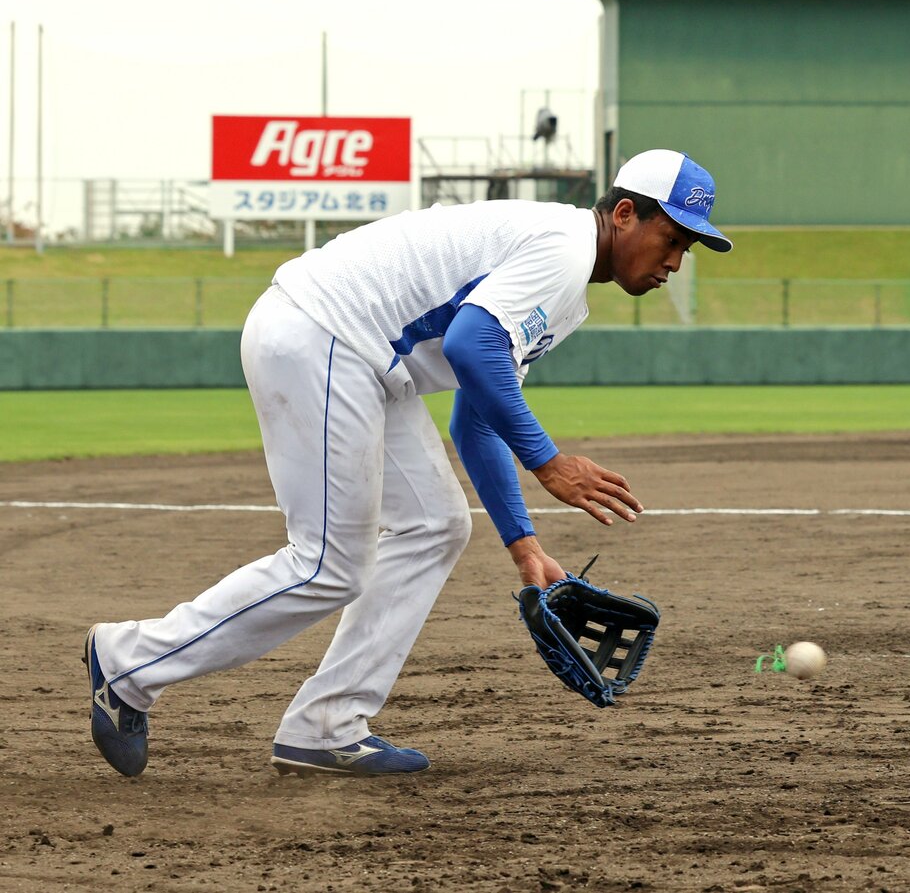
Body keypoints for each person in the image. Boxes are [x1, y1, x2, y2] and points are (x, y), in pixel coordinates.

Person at [85, 148, 732, 777]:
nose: (675, 261)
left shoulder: (564, 274)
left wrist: (524, 545)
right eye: (672, 238)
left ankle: (327, 725)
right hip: (325, 333)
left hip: (360, 355)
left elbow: (476, 415)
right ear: (625, 214)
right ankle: (129, 664)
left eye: (688, 249)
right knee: (327, 563)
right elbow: (472, 345)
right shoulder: (563, 248)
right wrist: (549, 462)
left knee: (435, 525)